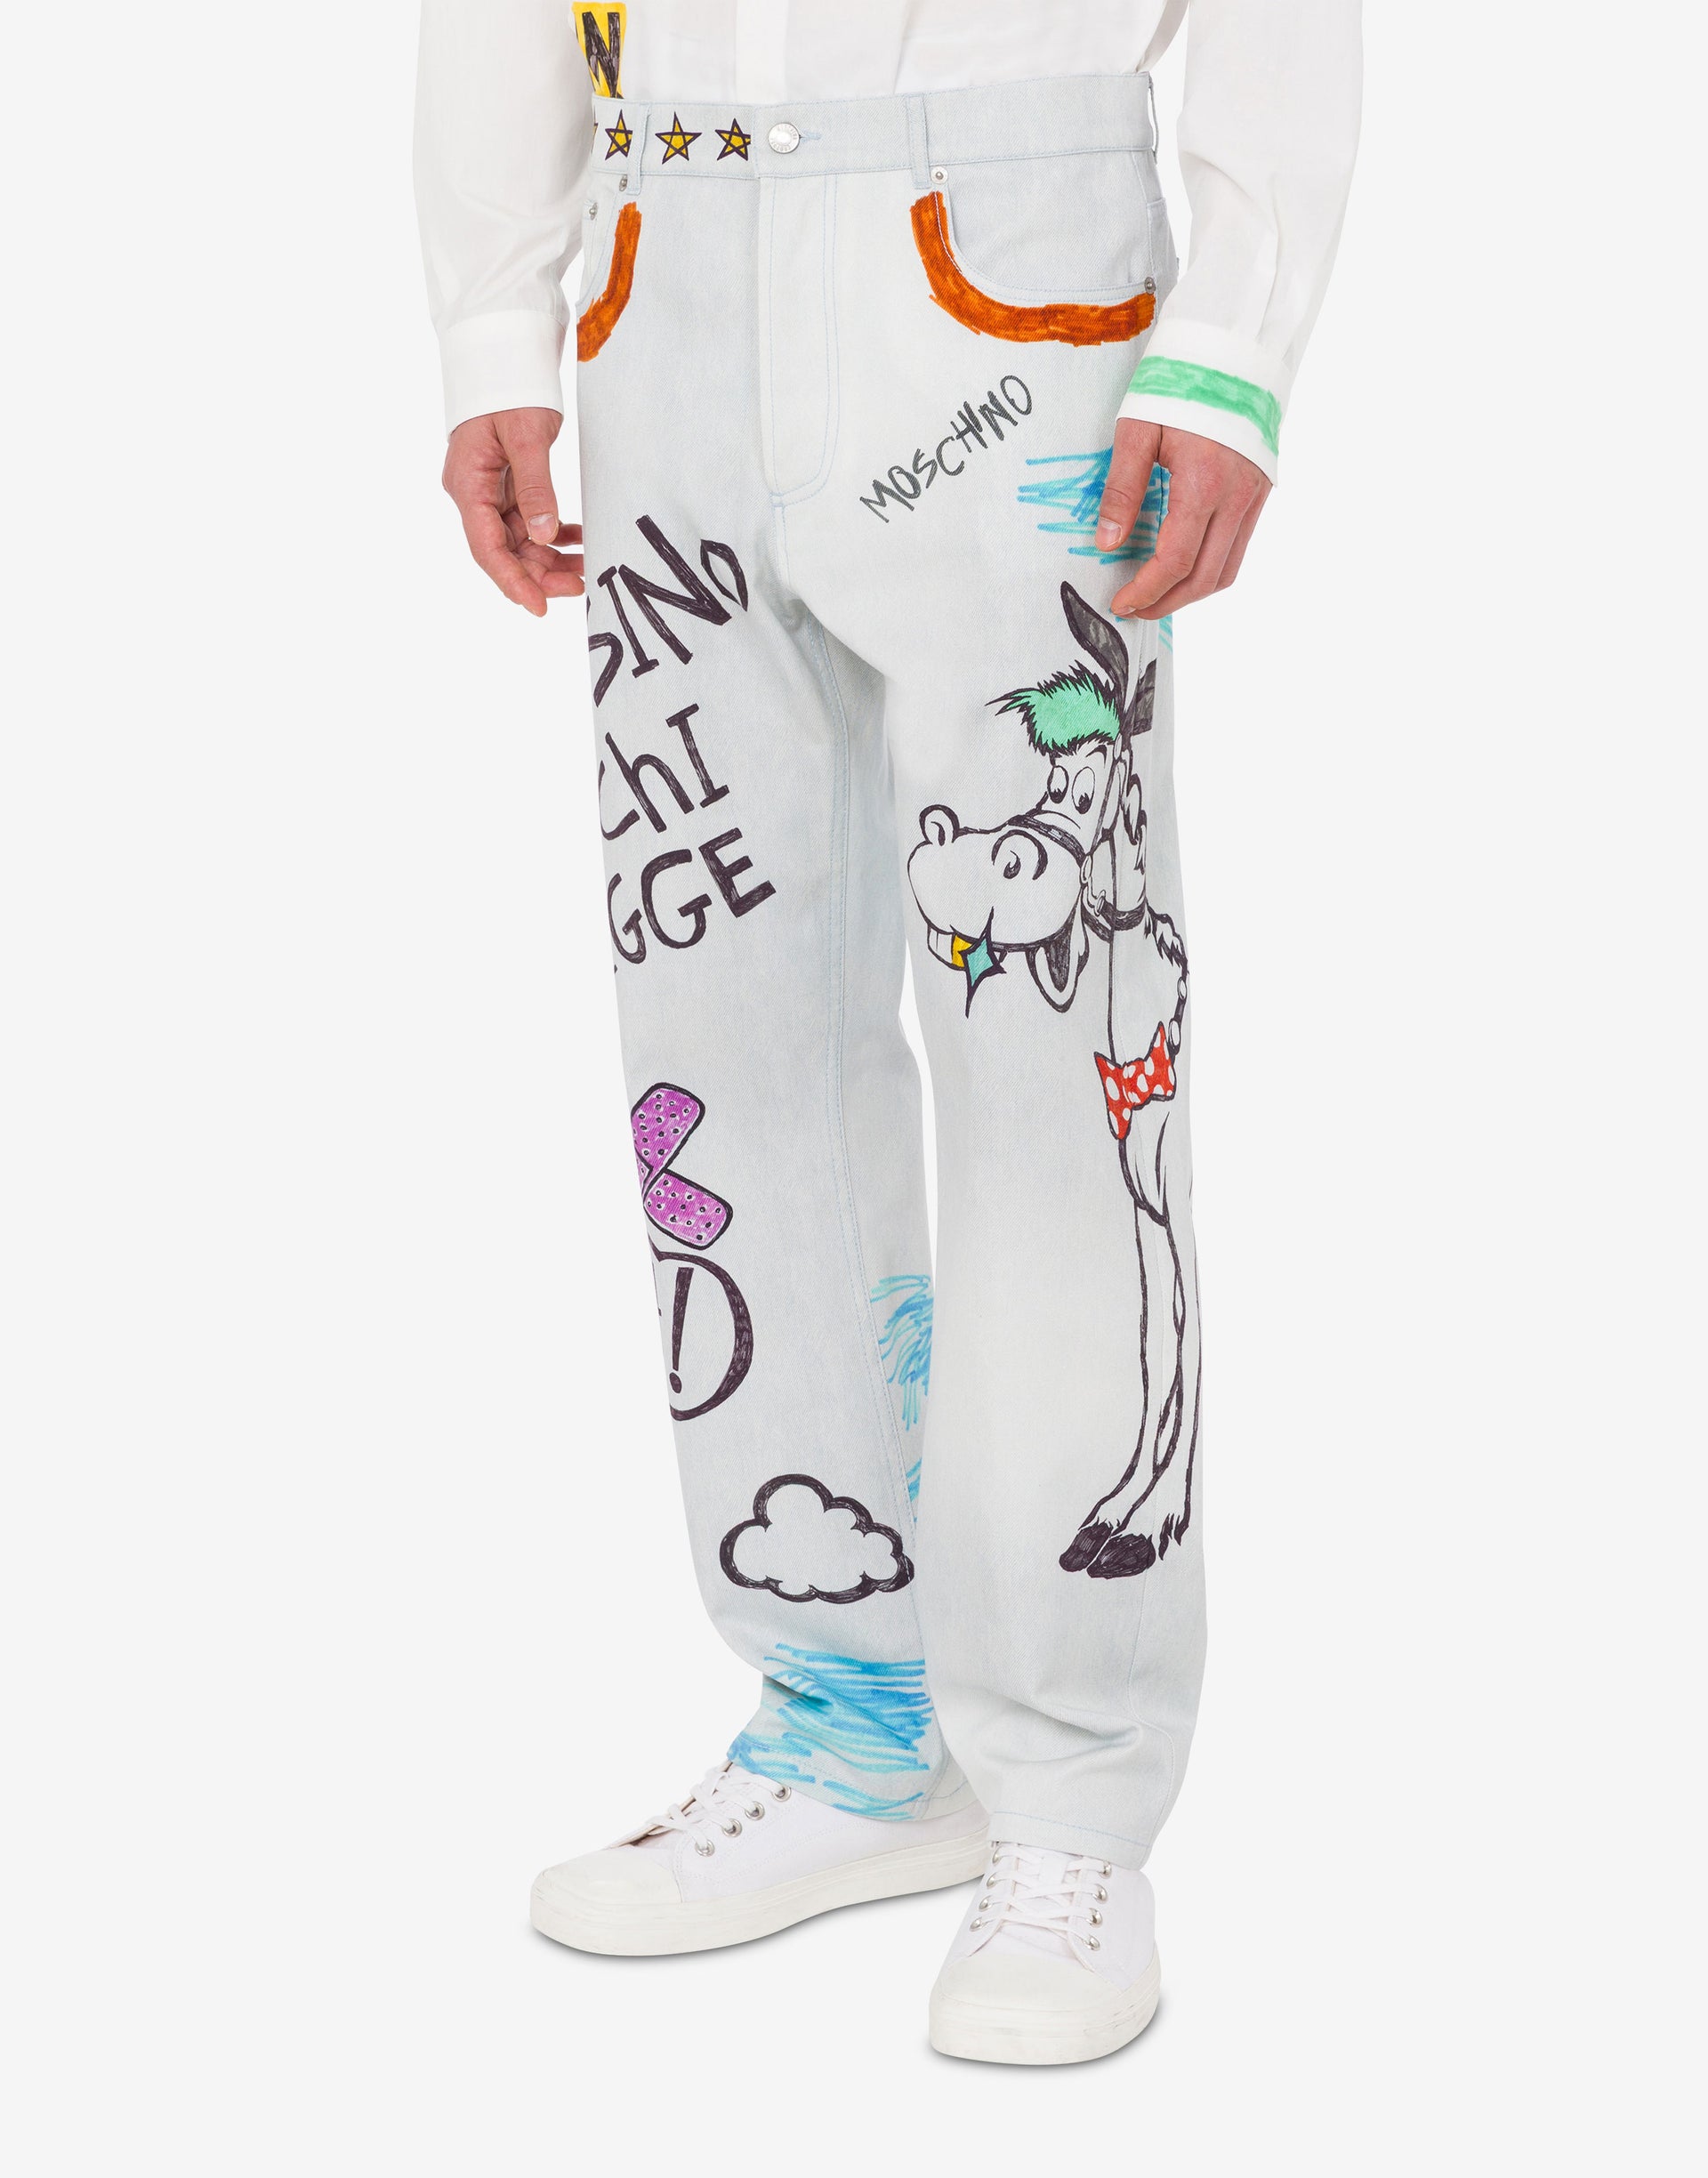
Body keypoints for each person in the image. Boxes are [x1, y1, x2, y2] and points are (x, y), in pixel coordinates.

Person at [415, 0, 1359, 2066]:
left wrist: (1231, 343)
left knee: (1057, 1059)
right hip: (660, 259)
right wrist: (496, 322)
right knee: (722, 1037)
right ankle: (853, 1724)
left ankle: (1074, 1799)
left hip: (1013, 273)